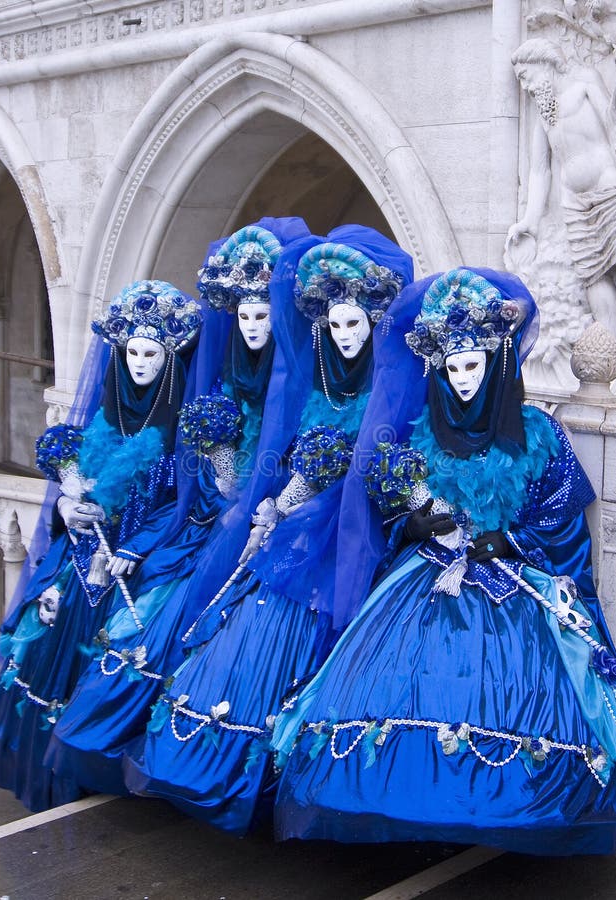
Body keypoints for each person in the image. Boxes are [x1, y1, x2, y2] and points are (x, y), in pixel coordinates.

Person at [272, 267, 616, 855]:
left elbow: (563, 525)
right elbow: (395, 518)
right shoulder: (419, 432)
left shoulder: (541, 435)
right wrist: (415, 522)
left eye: (472, 365)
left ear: (498, 360)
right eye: (451, 369)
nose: (462, 380)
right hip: (426, 579)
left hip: (514, 583)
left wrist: (513, 542)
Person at [124, 226, 413, 835]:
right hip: (293, 534)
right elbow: (289, 453)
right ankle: (220, 762)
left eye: (356, 325)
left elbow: (373, 470)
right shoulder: (318, 382)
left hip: (347, 541)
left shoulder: (390, 390)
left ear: (375, 322)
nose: (345, 337)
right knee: (251, 617)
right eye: (335, 327)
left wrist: (299, 500)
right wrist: (278, 502)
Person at [45, 218, 311, 795]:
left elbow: (283, 473)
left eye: (263, 314)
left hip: (264, 538)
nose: (252, 325)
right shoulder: (204, 390)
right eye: (242, 315)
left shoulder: (295, 388)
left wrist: (255, 495)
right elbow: (186, 494)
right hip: (189, 533)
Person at [0, 280, 201, 811]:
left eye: (153, 353)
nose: (142, 363)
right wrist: (65, 508)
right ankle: (53, 771)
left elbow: (186, 503)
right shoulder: (104, 417)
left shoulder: (179, 429)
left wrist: (136, 545)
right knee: (48, 652)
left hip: (133, 567)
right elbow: (75, 488)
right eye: (133, 353)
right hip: (79, 562)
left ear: (170, 359)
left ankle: (97, 772)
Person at [506, 37, 616, 402]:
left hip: (608, 191)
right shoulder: (543, 116)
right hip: (572, 205)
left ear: (546, 65)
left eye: (528, 77)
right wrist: (529, 220)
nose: (527, 86)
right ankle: (614, 362)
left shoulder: (583, 85)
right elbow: (539, 171)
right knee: (593, 277)